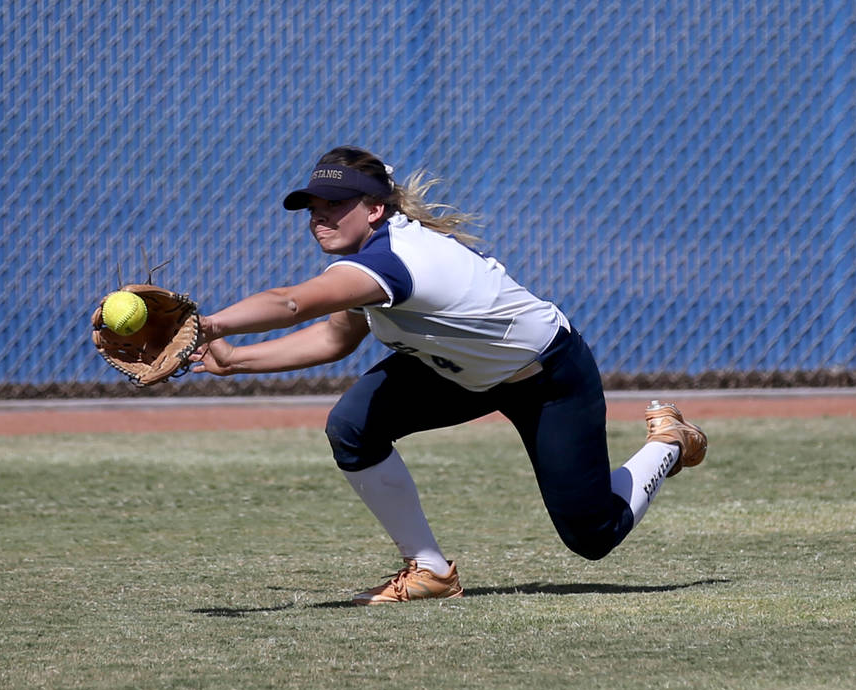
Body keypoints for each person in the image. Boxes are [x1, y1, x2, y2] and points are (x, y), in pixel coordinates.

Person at [190, 146, 707, 605]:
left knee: (593, 535)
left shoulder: (396, 260)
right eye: (314, 207)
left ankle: (668, 441)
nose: (320, 216)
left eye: (336, 204)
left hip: (549, 377)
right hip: (457, 373)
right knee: (352, 427)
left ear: (375, 209)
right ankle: (430, 570)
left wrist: (207, 323)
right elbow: (333, 340)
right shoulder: (367, 261)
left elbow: (290, 302)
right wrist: (233, 360)